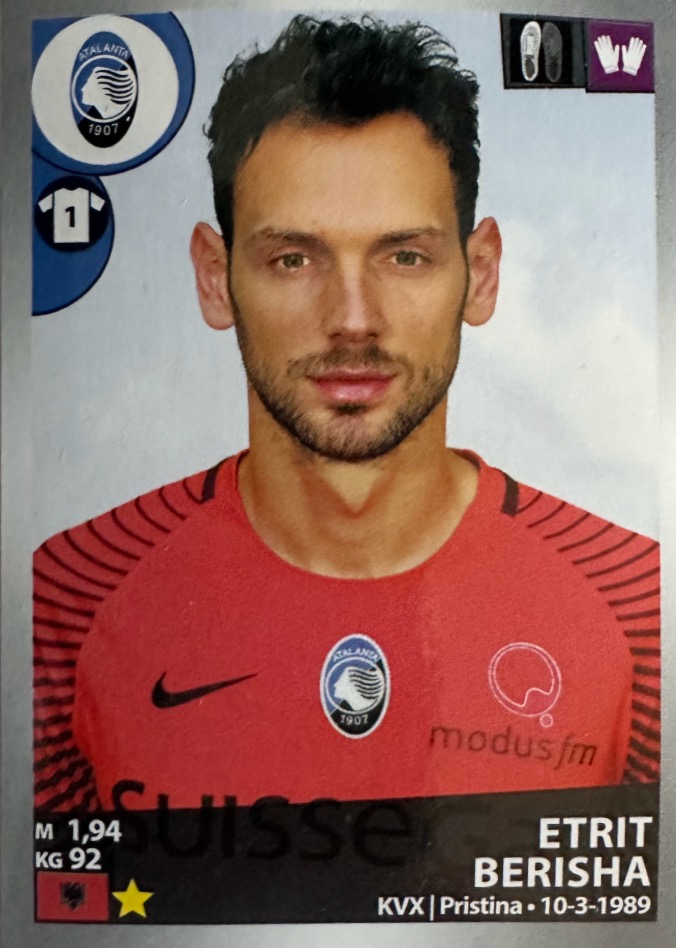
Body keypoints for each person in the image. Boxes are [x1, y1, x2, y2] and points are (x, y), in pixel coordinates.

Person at [33, 15, 660, 813]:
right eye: (294, 259)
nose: (353, 319)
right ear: (216, 279)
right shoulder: (69, 597)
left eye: (405, 256)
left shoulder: (639, 605)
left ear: (481, 273)